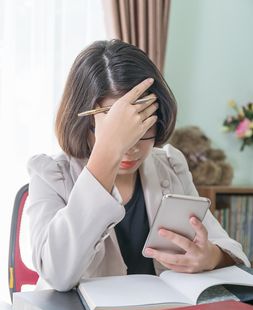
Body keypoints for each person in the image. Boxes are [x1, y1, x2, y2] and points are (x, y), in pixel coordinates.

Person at [27, 39, 250, 292]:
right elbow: (57, 273)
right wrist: (108, 151)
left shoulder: (171, 166)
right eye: (119, 132)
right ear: (83, 123)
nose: (131, 148)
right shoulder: (50, 175)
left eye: (143, 129)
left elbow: (229, 248)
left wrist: (211, 257)